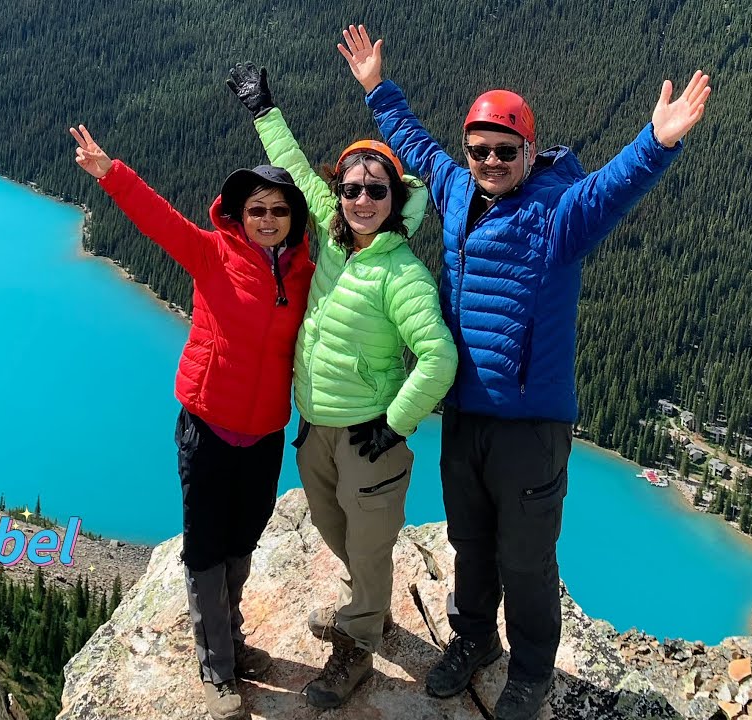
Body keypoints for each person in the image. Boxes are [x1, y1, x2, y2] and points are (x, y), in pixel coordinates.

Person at [336, 24, 712, 720]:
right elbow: (415, 144)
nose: (489, 160)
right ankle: (473, 640)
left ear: (529, 152)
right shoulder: (454, 191)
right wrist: (376, 89)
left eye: (505, 151)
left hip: (532, 427)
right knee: (469, 541)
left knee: (527, 560)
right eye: (478, 149)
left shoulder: (558, 216)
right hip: (466, 417)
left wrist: (656, 143)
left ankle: (533, 669)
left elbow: (611, 190)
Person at [227, 63, 458, 709]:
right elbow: (298, 171)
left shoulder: (402, 275)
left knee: (369, 539)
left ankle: (357, 647)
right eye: (352, 188)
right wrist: (263, 111)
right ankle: (369, 609)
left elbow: (438, 359)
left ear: (395, 201)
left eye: (374, 191)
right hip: (316, 430)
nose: (359, 200)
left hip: (368, 438)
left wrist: (395, 424)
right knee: (334, 529)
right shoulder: (332, 235)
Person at [69, 124, 315, 720]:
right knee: (205, 546)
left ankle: (229, 638)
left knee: (243, 540)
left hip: (264, 433)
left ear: (294, 217)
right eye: (255, 208)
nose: (267, 218)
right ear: (237, 213)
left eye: (280, 210)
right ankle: (216, 667)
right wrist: (111, 173)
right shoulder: (211, 253)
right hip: (206, 427)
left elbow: (369, 217)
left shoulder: (308, 273)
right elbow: (157, 219)